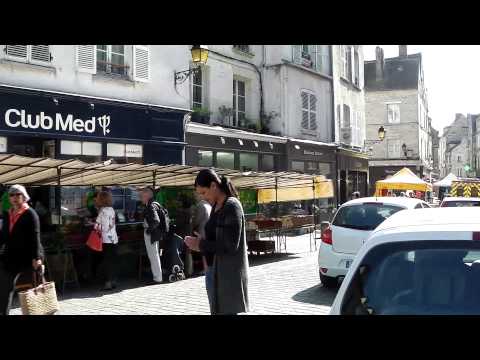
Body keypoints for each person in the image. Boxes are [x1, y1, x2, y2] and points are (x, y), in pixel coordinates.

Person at [184, 169, 249, 315]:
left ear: (214, 186)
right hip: (213, 272)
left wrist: (200, 244)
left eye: (203, 192)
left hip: (227, 275)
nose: (202, 197)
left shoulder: (231, 205)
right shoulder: (215, 206)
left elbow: (230, 245)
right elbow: (216, 239)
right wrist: (201, 242)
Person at [0, 185, 43, 315]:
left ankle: (41, 310)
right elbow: (4, 235)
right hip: (10, 257)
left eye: (18, 194)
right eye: (12, 195)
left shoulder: (30, 213)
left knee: (36, 287)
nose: (14, 198)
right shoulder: (8, 214)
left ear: (24, 197)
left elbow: (35, 237)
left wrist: (37, 258)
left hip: (28, 257)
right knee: (4, 289)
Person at [95, 191, 118, 291]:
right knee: (112, 261)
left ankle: (108, 283)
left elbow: (98, 226)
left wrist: (94, 223)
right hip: (114, 238)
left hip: (106, 239)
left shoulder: (102, 211)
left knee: (106, 261)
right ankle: (113, 281)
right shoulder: (112, 209)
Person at [141, 187, 164, 284]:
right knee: (155, 255)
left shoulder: (150, 206)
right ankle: (157, 276)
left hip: (151, 234)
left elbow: (156, 221)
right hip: (156, 234)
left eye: (142, 196)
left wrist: (148, 230)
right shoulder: (155, 204)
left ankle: (157, 278)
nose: (141, 198)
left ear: (146, 196)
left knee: (153, 256)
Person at [191, 196, 212, 276]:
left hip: (202, 231)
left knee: (204, 251)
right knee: (208, 250)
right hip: (208, 230)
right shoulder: (208, 205)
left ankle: (205, 269)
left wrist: (192, 225)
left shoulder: (200, 205)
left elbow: (197, 220)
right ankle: (208, 268)